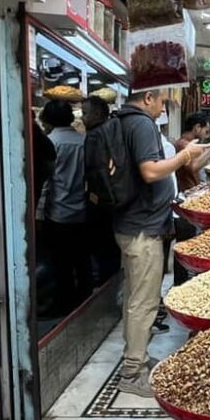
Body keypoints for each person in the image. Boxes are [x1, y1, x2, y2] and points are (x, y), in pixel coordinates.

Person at [114, 89, 206, 397]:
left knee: (135, 298)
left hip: (133, 223)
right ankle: (132, 373)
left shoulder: (125, 120)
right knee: (144, 302)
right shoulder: (140, 124)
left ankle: (137, 358)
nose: (162, 109)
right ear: (149, 97)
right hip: (142, 228)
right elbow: (151, 171)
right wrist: (184, 156)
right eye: (162, 103)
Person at [40, 100, 92, 315]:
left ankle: (64, 304)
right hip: (82, 211)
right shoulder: (83, 142)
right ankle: (86, 301)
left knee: (61, 263)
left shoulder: (50, 142)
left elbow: (45, 182)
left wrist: (38, 212)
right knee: (82, 259)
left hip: (58, 212)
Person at [81, 96, 121, 286]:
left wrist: (103, 200)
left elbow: (98, 171)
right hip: (110, 203)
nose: (82, 118)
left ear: (97, 114)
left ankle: (104, 291)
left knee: (103, 250)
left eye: (85, 113)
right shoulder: (112, 130)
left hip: (101, 203)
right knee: (110, 252)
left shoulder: (95, 135)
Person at [174, 112, 210, 192]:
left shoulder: (188, 144)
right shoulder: (183, 144)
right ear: (197, 128)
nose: (205, 135)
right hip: (186, 190)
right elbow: (193, 167)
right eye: (206, 131)